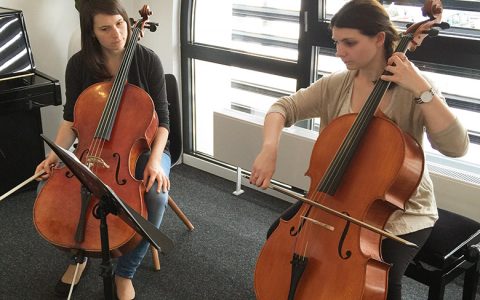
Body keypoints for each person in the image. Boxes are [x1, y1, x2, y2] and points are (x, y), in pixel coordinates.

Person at [250, 0, 469, 299]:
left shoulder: (416, 90)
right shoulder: (338, 84)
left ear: (379, 39)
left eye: (349, 43)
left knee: (381, 281)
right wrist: (269, 148)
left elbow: (457, 147)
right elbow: (282, 108)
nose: (340, 52)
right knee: (279, 237)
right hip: (335, 197)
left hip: (398, 209)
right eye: (337, 42)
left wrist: (421, 89)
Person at [35, 0, 170, 299]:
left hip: (143, 148)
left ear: (127, 22)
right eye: (105, 28)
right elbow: (71, 119)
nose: (117, 34)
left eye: (120, 24)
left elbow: (164, 121)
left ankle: (125, 273)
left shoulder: (148, 61)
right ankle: (78, 256)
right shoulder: (79, 65)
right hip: (90, 148)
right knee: (49, 187)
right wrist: (54, 156)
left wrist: (157, 161)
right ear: (91, 32)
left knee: (157, 195)